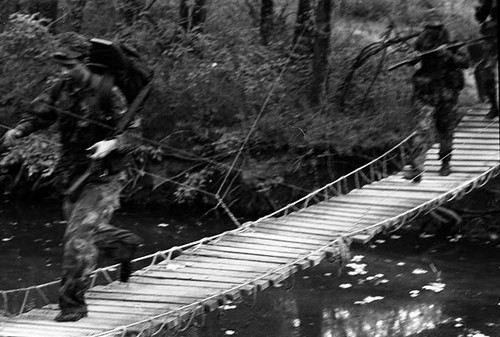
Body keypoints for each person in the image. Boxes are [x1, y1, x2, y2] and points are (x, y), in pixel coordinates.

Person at [2, 37, 143, 322]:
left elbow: (135, 135)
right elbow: (40, 114)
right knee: (86, 233)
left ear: (84, 62)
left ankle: (73, 305)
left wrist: (111, 145)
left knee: (77, 240)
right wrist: (20, 130)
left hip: (104, 177)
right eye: (61, 65)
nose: (65, 71)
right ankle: (125, 245)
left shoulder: (109, 92)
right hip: (72, 175)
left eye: (69, 64)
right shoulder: (62, 88)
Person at [403, 9, 469, 182]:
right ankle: (416, 168)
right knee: (422, 129)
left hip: (447, 93)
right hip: (426, 93)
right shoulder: (422, 38)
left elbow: (465, 62)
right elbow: (412, 55)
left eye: (436, 26)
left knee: (446, 129)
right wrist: (413, 57)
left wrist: (448, 54)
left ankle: (445, 163)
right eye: (430, 26)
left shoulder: (452, 38)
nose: (433, 30)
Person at [474, 0, 498, 119]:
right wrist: (478, 9)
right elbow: (481, 17)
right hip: (493, 41)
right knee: (488, 73)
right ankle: (494, 107)